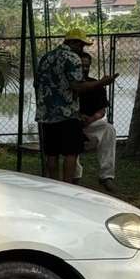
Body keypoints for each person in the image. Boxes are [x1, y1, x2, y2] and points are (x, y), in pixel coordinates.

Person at [34, 29, 118, 182]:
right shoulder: (72, 58)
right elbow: (77, 86)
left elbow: (37, 84)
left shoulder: (46, 57)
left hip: (46, 114)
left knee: (51, 154)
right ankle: (67, 186)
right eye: (81, 45)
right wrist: (102, 82)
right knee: (70, 153)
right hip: (67, 114)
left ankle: (53, 184)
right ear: (73, 42)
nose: (82, 49)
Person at [75, 51, 118, 194]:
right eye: (81, 66)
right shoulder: (68, 85)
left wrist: (91, 119)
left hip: (90, 124)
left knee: (108, 129)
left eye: (87, 66)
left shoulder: (96, 84)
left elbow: (102, 111)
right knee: (69, 129)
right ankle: (75, 175)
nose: (84, 69)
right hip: (71, 123)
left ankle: (106, 176)